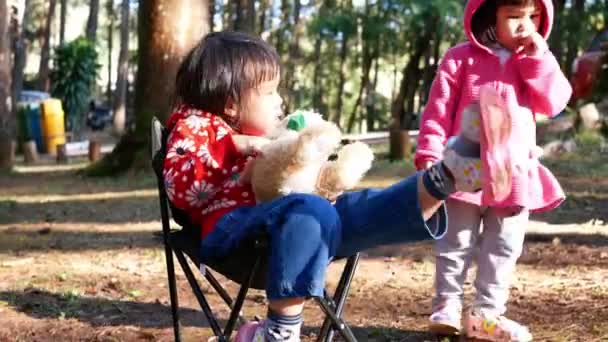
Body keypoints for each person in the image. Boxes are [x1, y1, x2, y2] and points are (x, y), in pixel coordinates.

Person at [163, 31, 506, 342]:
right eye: (269, 92)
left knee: (358, 207)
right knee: (308, 210)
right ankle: (280, 333)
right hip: (235, 234)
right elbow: (181, 188)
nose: (279, 100)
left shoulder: (270, 139)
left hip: (289, 230)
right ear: (231, 105)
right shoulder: (196, 125)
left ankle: (445, 177)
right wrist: (233, 146)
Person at [415, 0, 572, 340]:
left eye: (534, 17)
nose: (525, 25)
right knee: (454, 242)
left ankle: (486, 313)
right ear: (489, 15)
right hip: (464, 167)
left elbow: (555, 102)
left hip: (514, 171)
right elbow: (438, 109)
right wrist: (429, 151)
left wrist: (539, 61)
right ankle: (447, 306)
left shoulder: (535, 60)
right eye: (514, 17)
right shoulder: (461, 58)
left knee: (504, 245)